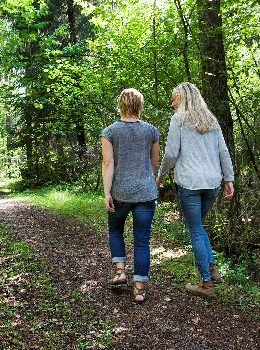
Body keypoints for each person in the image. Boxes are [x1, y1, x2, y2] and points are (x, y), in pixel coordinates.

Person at [157, 82, 234, 299]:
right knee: (198, 227)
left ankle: (206, 284)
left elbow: (171, 153)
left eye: (174, 98)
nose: (172, 103)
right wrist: (229, 178)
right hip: (212, 183)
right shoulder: (212, 121)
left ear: (183, 98)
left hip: (190, 183)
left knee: (195, 230)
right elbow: (223, 152)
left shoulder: (179, 120)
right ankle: (212, 268)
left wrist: (161, 175)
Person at [101, 88, 160, 304]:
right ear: (140, 106)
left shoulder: (110, 132)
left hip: (120, 193)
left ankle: (120, 272)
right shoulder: (152, 131)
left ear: (120, 105)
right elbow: (154, 163)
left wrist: (107, 192)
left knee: (115, 230)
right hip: (145, 193)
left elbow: (108, 164)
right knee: (142, 240)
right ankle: (139, 288)